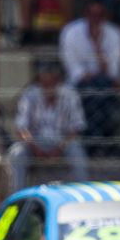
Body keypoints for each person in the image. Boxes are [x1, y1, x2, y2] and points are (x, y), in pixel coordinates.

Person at [8, 61, 89, 191]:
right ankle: (18, 195)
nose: (47, 86)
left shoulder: (70, 95)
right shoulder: (29, 95)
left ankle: (83, 195)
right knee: (17, 153)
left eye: (51, 81)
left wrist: (60, 147)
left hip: (62, 142)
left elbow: (77, 127)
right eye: (43, 82)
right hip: (34, 142)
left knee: (77, 153)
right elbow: (20, 128)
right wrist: (35, 147)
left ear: (58, 81)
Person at [59, 0, 120, 155]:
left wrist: (97, 46)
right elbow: (74, 70)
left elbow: (113, 71)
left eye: (99, 15)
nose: (95, 19)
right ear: (85, 14)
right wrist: (92, 75)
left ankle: (95, 143)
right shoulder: (71, 32)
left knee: (101, 88)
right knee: (93, 91)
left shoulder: (114, 34)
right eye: (92, 14)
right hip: (79, 84)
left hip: (104, 84)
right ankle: (97, 144)